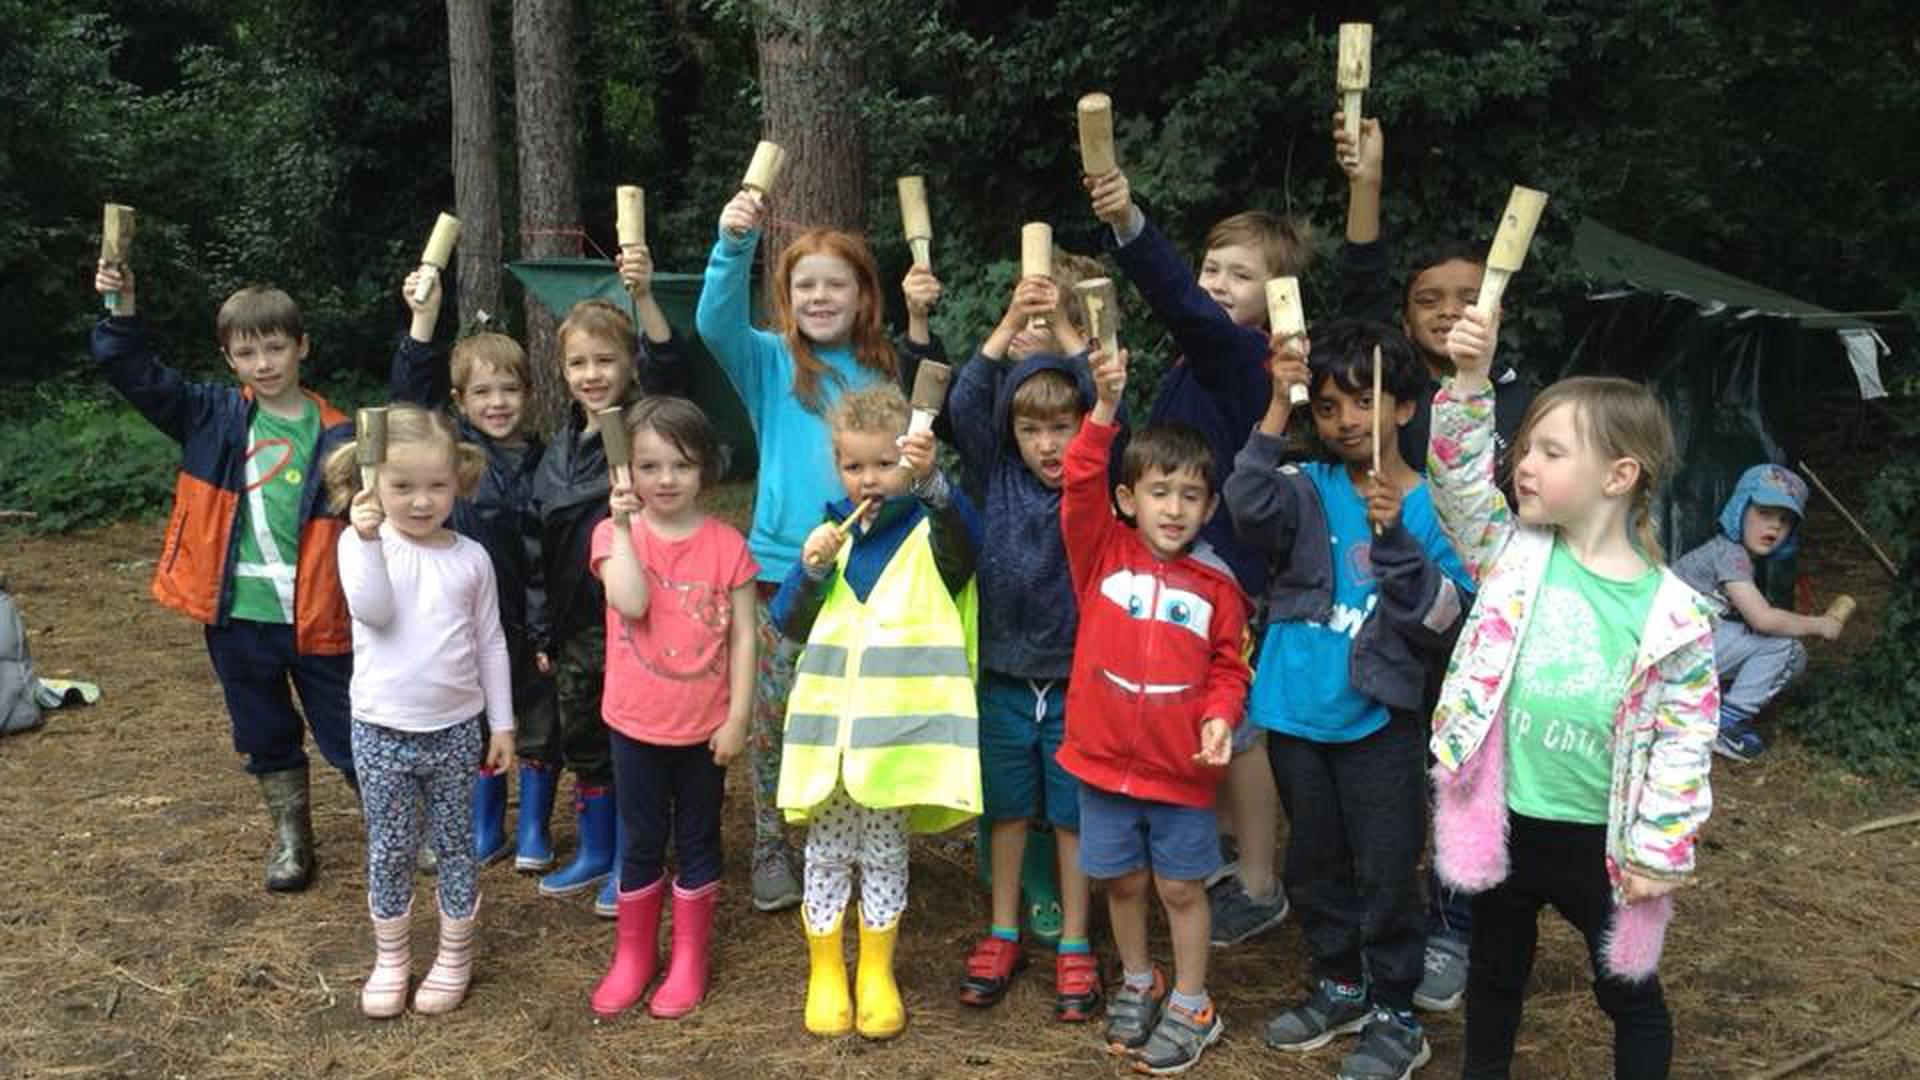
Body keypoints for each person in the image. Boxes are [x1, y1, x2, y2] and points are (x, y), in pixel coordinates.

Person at [1428, 309, 1718, 1079]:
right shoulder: (1512, 556)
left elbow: (1685, 740)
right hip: (1508, 819)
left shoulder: (1673, 615)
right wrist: (1466, 380)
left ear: (1618, 477)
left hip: (1602, 843)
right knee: (1493, 976)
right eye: (1527, 448)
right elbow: (1456, 481)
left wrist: (1660, 848)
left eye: (1551, 452)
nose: (1525, 464)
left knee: (1628, 993)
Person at [1332, 109, 1542, 1013]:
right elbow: (1359, 286)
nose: (1451, 311)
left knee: (1464, 772)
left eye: (1468, 296)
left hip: (1482, 613)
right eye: (1430, 300)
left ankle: (1456, 926)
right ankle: (1378, 917)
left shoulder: (1528, 398)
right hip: (1392, 604)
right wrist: (1367, 186)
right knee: (1390, 771)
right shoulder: (1390, 386)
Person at [1225, 321, 1471, 1080]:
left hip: (1380, 722)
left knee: (1388, 867)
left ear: (1404, 408)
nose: (1345, 422)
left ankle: (1397, 1012)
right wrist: (1275, 406)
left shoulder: (1432, 507)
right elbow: (1243, 501)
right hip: (1296, 712)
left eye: (1364, 402)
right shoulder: (1306, 487)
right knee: (1315, 865)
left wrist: (1396, 545)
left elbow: (1444, 622)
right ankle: (1341, 983)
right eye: (1328, 407)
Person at [1084, 165, 1311, 950]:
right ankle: (1215, 855)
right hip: (1183, 557)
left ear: (1275, 298)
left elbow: (1183, 309)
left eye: (1240, 275)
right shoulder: (1202, 361)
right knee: (1202, 714)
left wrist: (1130, 228)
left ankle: (1258, 882)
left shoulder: (1239, 355)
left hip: (1224, 571)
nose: (1217, 283)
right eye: (1213, 267)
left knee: (1238, 729)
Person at [91, 261, 356, 892]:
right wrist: (120, 311)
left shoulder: (340, 434)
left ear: (301, 347)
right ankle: (293, 839)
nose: (263, 363)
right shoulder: (209, 416)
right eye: (247, 352)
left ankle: (399, 823)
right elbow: (134, 373)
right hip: (238, 615)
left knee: (349, 727)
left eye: (274, 348)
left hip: (319, 614)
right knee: (262, 729)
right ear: (229, 358)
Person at [695, 192, 919, 913]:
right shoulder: (768, 362)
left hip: (871, 572)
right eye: (805, 285)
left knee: (856, 710)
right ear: (787, 299)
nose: (820, 296)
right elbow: (712, 321)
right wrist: (732, 245)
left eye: (836, 284)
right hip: (783, 573)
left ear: (863, 296)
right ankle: (770, 844)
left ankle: (852, 836)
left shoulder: (887, 366)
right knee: (776, 713)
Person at [1058, 343, 1250, 1074]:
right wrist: (1104, 407)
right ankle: (1140, 979)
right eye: (1160, 491)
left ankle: (1194, 1002)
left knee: (1178, 885)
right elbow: (1079, 481)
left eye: (1191, 495)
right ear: (1128, 499)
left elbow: (1230, 669)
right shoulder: (1100, 554)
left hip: (1180, 772)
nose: (1174, 508)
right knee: (1125, 881)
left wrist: (1219, 719)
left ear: (1211, 504)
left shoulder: (1218, 587)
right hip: (1103, 765)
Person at [771, 384, 983, 1041]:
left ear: (911, 462)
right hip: (830, 744)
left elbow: (966, 545)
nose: (870, 479)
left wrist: (932, 485)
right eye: (855, 466)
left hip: (895, 746)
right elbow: (788, 622)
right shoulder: (830, 536)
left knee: (886, 856)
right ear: (838, 466)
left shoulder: (931, 531)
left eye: (885, 465)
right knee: (827, 855)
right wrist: (807, 572)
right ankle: (828, 968)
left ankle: (877, 972)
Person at [322, 405, 515, 1018]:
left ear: (456, 482)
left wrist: (502, 722)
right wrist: (370, 537)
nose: (422, 500)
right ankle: (392, 958)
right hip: (380, 727)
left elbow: (490, 641)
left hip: (456, 729)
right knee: (391, 845)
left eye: (436, 486)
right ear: (374, 483)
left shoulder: (471, 559)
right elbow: (374, 612)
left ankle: (454, 955)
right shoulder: (360, 545)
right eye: (403, 486)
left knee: (457, 845)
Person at [947, 261, 1100, 1021]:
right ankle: (1004, 928)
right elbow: (966, 397)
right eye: (1032, 428)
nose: (1048, 443)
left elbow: (1105, 401)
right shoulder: (996, 472)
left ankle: (1076, 940)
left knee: (1072, 815)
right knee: (1007, 813)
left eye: (1061, 426)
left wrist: (1068, 334)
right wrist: (1010, 323)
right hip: (1005, 677)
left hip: (1075, 682)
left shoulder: (1095, 481)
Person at [588, 397, 757, 1019]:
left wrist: (738, 717)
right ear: (627, 471)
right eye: (650, 466)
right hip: (635, 724)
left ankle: (689, 957)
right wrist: (626, 526)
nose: (665, 480)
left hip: (703, 729)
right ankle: (634, 956)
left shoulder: (727, 545)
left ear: (704, 470)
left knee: (698, 838)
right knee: (640, 841)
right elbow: (630, 601)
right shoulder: (612, 536)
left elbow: (744, 637)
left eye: (681, 466)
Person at [388, 270, 554, 871]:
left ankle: (533, 827)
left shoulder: (544, 462)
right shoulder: (452, 459)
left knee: (537, 721)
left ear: (528, 393)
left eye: (509, 390)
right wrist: (422, 322)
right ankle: (486, 826)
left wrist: (543, 631)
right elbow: (408, 402)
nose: (497, 403)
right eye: (482, 393)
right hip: (463, 618)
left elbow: (549, 554)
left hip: (528, 619)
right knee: (479, 723)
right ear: (459, 403)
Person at [529, 280, 685, 915]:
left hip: (630, 619)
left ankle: (633, 856)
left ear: (630, 364)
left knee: (632, 741)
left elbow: (673, 371)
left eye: (605, 360)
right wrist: (543, 632)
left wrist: (645, 297)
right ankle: (596, 850)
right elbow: (536, 547)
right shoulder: (560, 446)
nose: (591, 375)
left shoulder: (646, 434)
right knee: (585, 733)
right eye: (578, 363)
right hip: (572, 628)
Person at [1673, 463, 1839, 761]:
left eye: (1784, 520)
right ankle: (1726, 724)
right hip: (1669, 654)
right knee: (1782, 646)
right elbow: (1762, 618)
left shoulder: (1735, 557)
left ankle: (1701, 706)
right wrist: (1819, 624)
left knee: (1792, 656)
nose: (1774, 526)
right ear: (1740, 509)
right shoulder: (1729, 555)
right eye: (1763, 513)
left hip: (1680, 648)